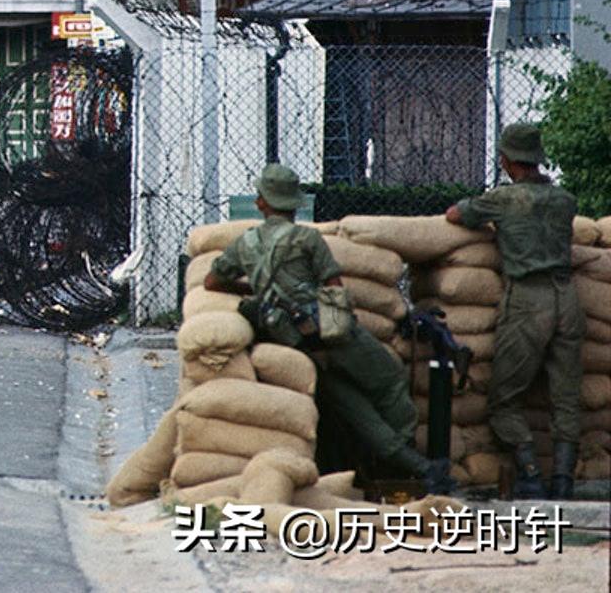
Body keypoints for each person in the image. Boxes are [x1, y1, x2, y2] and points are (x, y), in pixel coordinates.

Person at [206, 164, 452, 494]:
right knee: (390, 381)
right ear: (294, 204)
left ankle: (413, 466)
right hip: (330, 333)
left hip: (292, 342)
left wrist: (255, 294)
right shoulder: (306, 238)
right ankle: (404, 464)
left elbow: (212, 281)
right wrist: (335, 335)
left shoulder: (245, 244)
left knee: (353, 407)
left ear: (261, 202)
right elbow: (333, 289)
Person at [446, 122, 582, 500]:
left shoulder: (503, 200)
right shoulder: (565, 200)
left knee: (503, 400)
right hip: (567, 298)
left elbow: (456, 215)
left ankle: (532, 476)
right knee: (567, 397)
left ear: (506, 160)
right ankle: (565, 482)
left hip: (527, 301)